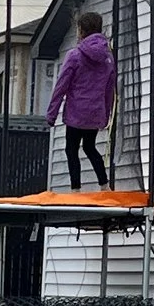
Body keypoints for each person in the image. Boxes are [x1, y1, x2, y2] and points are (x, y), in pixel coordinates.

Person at [45, 12, 116, 188]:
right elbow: (109, 89)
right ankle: (104, 185)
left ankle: (75, 188)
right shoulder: (108, 58)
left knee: (71, 149)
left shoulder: (75, 56)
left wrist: (51, 114)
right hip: (95, 113)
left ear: (81, 30)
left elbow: (61, 86)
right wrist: (105, 115)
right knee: (90, 147)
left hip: (76, 113)